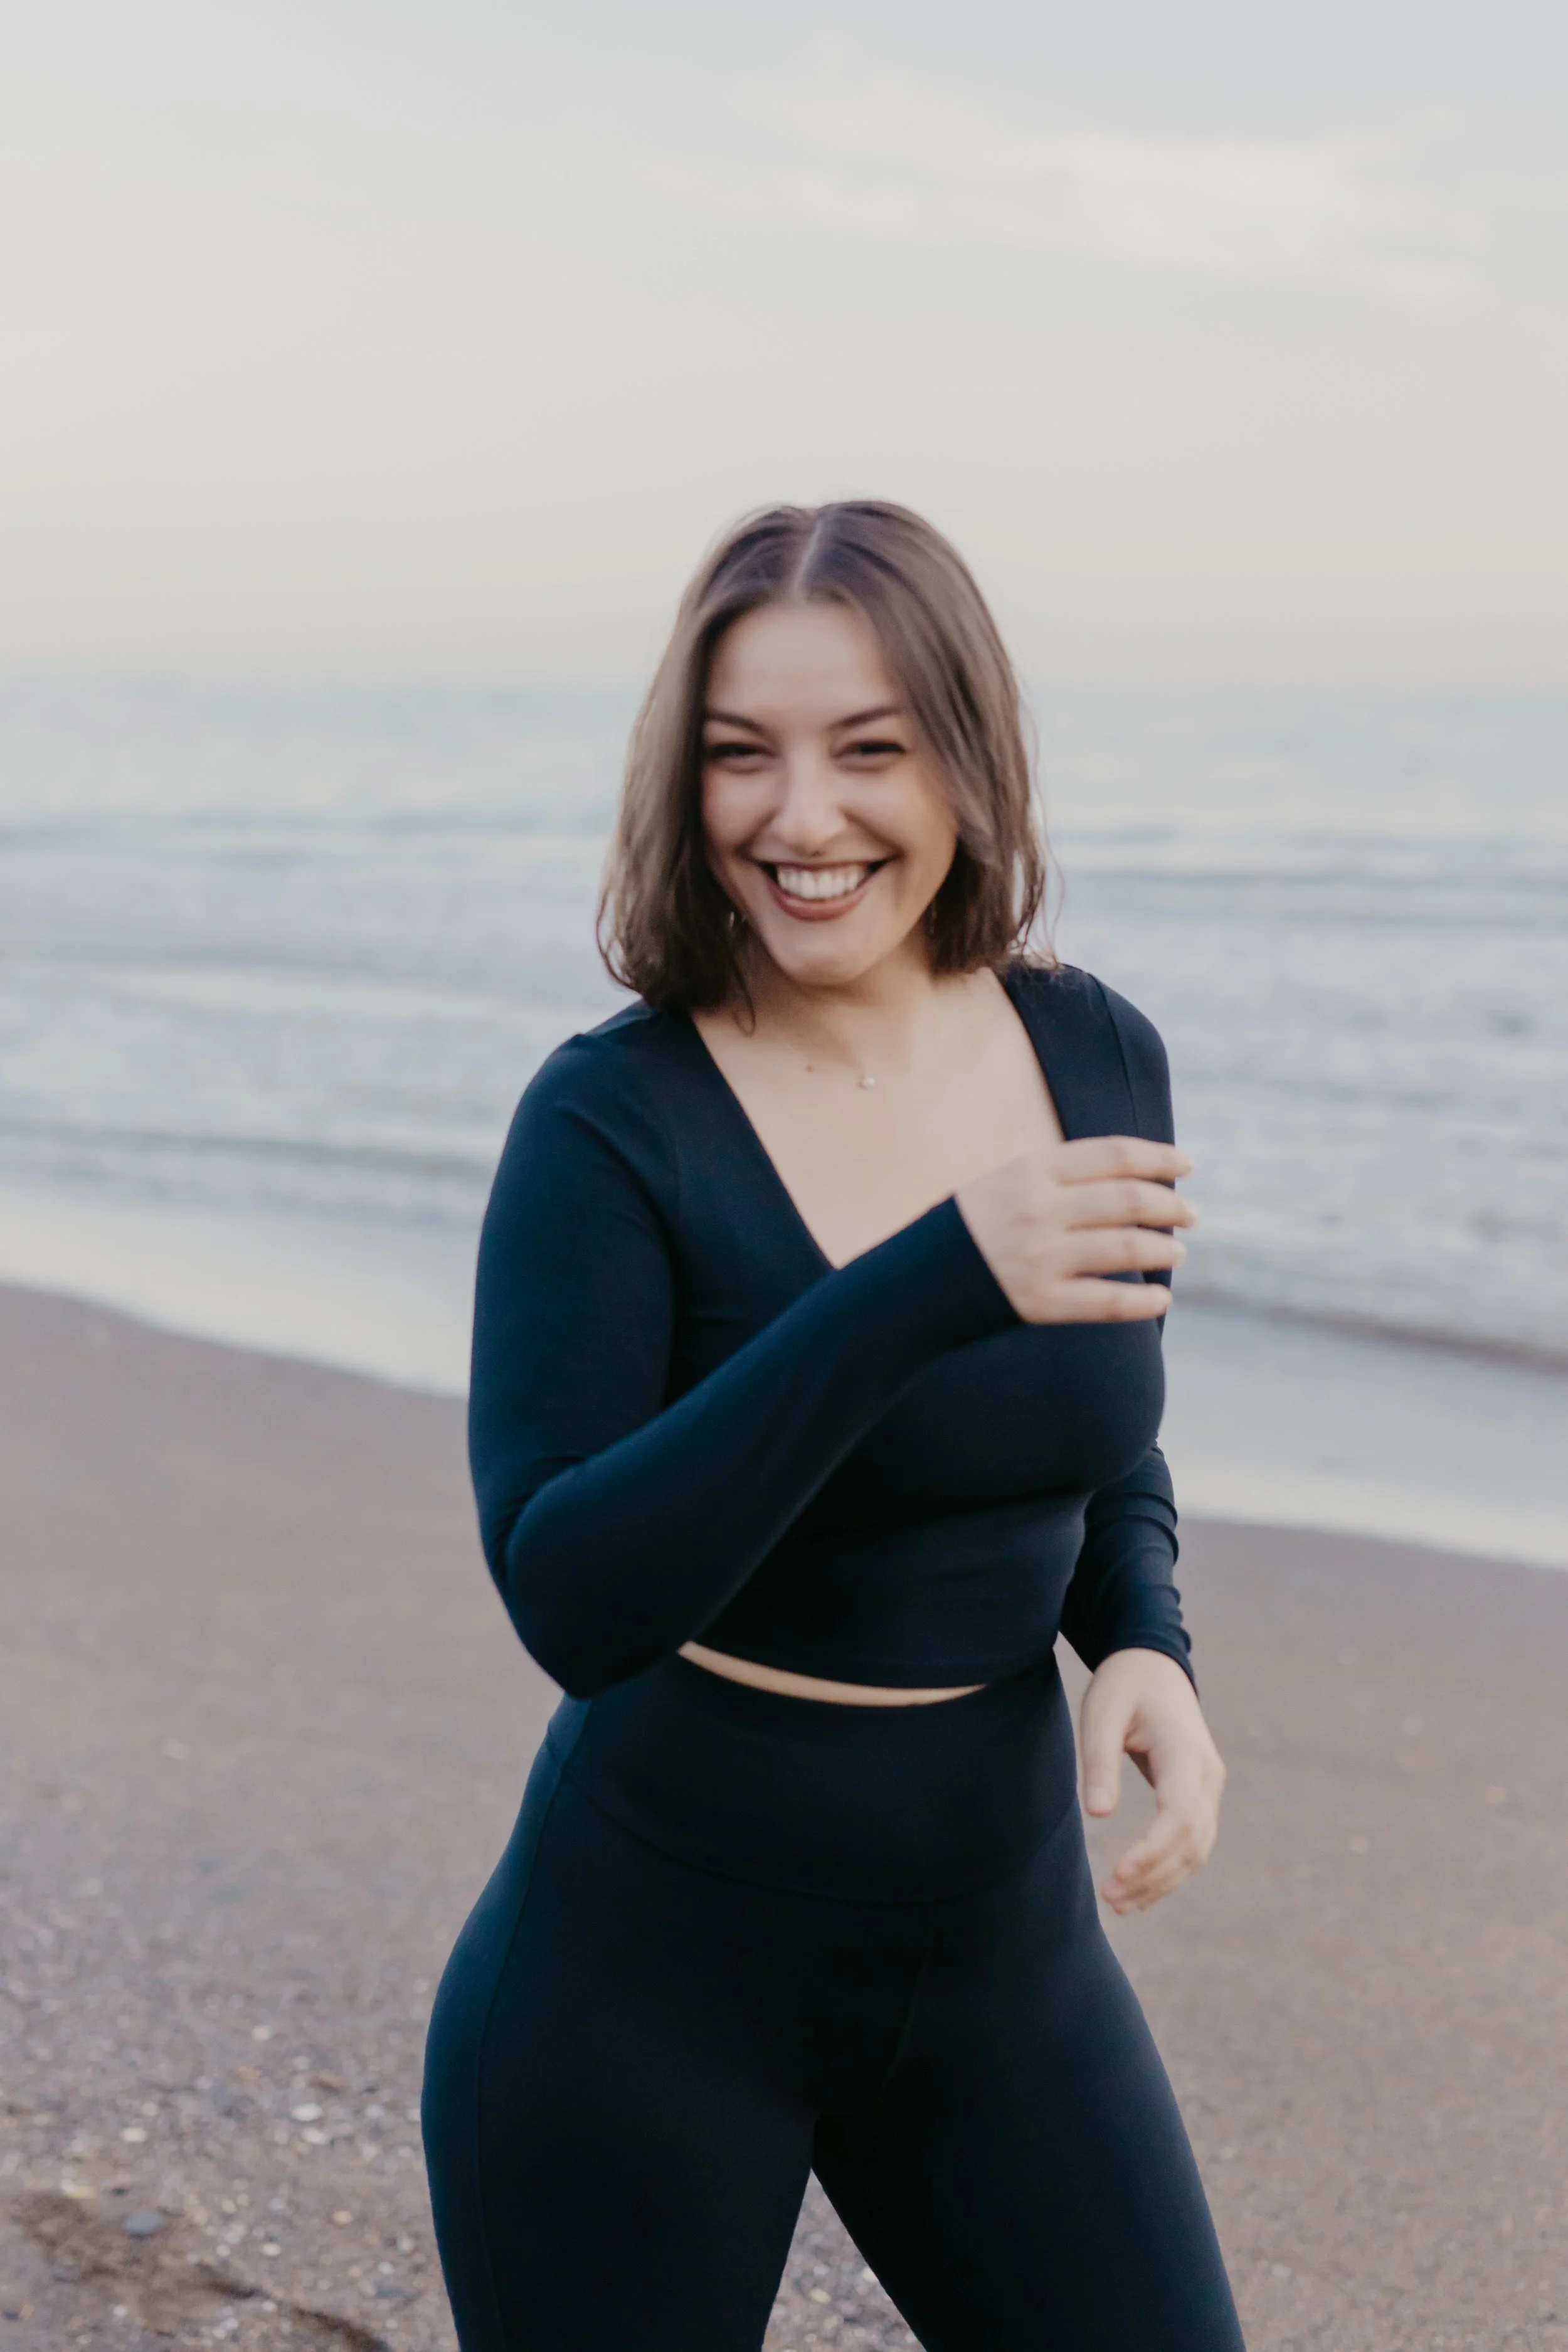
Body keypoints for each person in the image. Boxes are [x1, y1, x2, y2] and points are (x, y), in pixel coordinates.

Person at [422, 501, 1245, 2351]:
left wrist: (1141, 1635)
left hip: (1008, 1971)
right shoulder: (608, 1122)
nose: (801, 818)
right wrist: (924, 1277)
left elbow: (1097, 1426)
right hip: (645, 1992)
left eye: (869, 749)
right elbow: (570, 1594)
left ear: (966, 756)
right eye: (742, 754)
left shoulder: (1094, 1050)